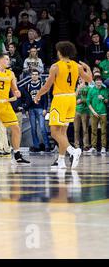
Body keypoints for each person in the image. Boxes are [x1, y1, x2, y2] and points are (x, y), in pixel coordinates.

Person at [34, 41, 93, 170]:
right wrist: (87, 68)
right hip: (72, 99)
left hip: (60, 99)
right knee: (62, 132)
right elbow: (89, 79)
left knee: (55, 133)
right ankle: (61, 161)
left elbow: (47, 86)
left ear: (60, 52)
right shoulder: (77, 66)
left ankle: (73, 151)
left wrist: (38, 95)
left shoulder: (55, 66)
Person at [25, 70, 50, 152]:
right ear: (31, 76)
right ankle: (36, 146)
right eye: (33, 74)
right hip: (31, 109)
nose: (35, 76)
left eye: (36, 74)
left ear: (39, 76)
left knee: (42, 128)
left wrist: (45, 108)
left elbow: (45, 97)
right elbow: (27, 99)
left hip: (40, 108)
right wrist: (26, 109)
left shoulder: (42, 84)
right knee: (33, 129)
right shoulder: (28, 85)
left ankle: (47, 145)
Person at [86, 76, 108, 154]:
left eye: (100, 80)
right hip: (93, 113)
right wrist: (93, 111)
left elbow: (107, 101)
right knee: (93, 130)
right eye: (97, 80)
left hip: (103, 112)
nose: (99, 82)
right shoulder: (91, 90)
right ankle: (93, 147)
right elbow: (88, 102)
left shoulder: (105, 90)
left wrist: (103, 98)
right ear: (95, 82)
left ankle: (103, 147)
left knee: (103, 131)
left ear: (102, 82)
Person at [74, 78, 91, 151]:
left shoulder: (88, 88)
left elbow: (89, 99)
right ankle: (76, 145)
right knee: (76, 129)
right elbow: (73, 98)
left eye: (82, 79)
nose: (81, 80)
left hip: (85, 110)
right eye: (79, 79)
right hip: (76, 111)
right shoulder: (75, 88)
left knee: (85, 129)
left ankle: (86, 145)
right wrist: (78, 89)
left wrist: (81, 100)